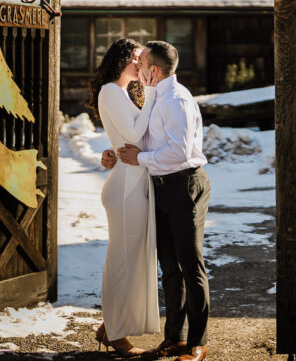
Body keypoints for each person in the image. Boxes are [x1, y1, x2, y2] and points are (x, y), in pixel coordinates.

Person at [103, 40, 211, 361]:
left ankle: (197, 344)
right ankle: (174, 339)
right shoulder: (155, 97)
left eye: (142, 62)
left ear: (153, 70)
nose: (137, 67)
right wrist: (116, 154)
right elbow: (140, 138)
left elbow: (178, 153)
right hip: (160, 189)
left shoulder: (176, 100)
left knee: (191, 267)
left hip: (185, 186)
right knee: (170, 269)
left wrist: (141, 158)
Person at [88, 38, 161, 357]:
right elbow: (134, 138)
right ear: (122, 59)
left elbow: (130, 140)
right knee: (122, 259)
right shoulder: (110, 91)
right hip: (125, 189)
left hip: (133, 182)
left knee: (135, 261)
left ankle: (111, 326)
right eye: (136, 57)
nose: (141, 63)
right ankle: (116, 334)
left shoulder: (125, 95)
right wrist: (155, 94)